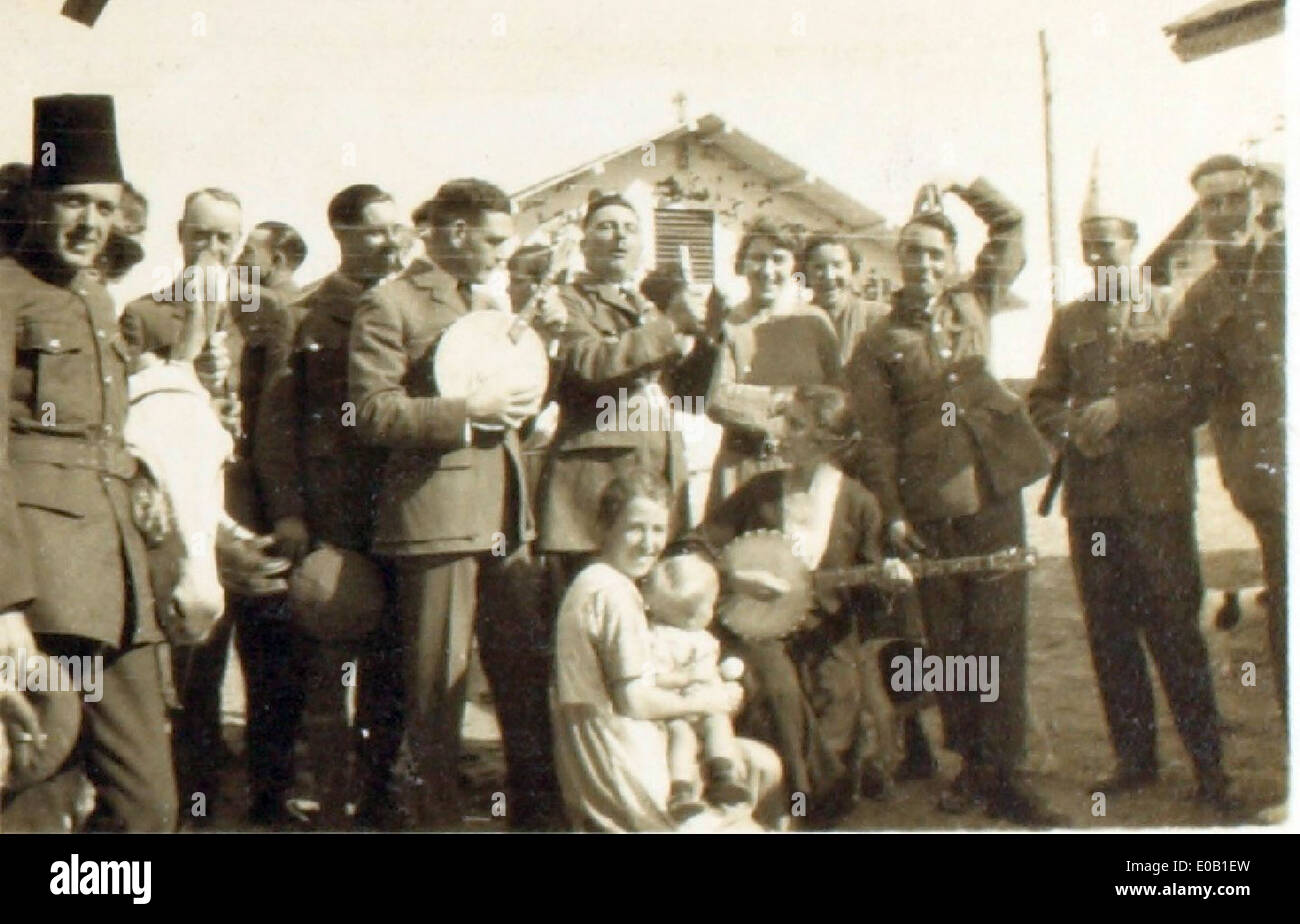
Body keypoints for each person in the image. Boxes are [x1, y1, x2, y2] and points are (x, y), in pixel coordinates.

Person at [349, 177, 562, 830]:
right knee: (436, 698)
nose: (505, 253)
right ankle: (433, 820)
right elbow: (371, 412)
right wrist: (466, 412)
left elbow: (512, 400)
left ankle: (536, 820)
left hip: (503, 516)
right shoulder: (390, 305)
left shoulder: (491, 303)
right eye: (496, 240)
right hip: (435, 524)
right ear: (458, 232)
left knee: (523, 681)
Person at [846, 176, 1061, 826]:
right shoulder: (878, 342)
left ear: (952, 260)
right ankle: (971, 765)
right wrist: (894, 513)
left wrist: (967, 186)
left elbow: (1014, 226)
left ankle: (1008, 771)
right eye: (913, 253)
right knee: (952, 644)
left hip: (993, 493)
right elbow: (878, 440)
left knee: (1003, 634)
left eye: (937, 254)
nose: (925, 265)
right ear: (898, 260)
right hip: (929, 504)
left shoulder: (975, 300)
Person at [0, 94, 177, 831]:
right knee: (36, 793)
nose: (88, 224)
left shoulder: (98, 299)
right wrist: (5, 604)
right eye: (72, 202)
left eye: (104, 209)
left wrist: (141, 476)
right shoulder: (7, 291)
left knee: (149, 805)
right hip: (43, 593)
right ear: (37, 201)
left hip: (118, 584)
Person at [1026, 177, 1232, 809]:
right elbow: (1042, 399)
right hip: (1092, 505)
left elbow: (1194, 395)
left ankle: (1210, 769)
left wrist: (1122, 408)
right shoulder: (1070, 321)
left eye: (1107, 243)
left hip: (1158, 502)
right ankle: (1135, 759)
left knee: (1175, 633)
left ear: (1134, 243)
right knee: (1110, 636)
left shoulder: (1172, 310)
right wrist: (1071, 430)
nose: (1097, 256)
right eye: (1088, 246)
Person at [692, 385, 915, 825]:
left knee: (835, 706)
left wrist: (889, 585)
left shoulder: (857, 503)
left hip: (827, 634)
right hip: (760, 629)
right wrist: (734, 575)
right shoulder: (760, 492)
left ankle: (809, 802)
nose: (781, 432)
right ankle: (803, 802)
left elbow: (869, 600)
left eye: (795, 424)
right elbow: (697, 542)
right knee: (779, 691)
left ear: (826, 442)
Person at [254, 184, 406, 828]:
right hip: (331, 513)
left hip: (399, 512)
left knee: (393, 661)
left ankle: (379, 793)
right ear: (342, 234)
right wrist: (289, 511)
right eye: (377, 231)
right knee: (328, 660)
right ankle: (332, 798)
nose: (394, 241)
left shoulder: (410, 308)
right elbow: (276, 423)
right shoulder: (306, 312)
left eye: (399, 229)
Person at [551, 469, 782, 832]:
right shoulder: (612, 594)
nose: (648, 543)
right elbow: (634, 701)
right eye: (635, 528)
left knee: (762, 765)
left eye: (658, 530)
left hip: (616, 742)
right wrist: (708, 702)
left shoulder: (601, 578)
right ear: (605, 528)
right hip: (619, 755)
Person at [1169, 155, 1285, 817]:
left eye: (1233, 198)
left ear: (1254, 199)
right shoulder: (1203, 299)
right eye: (1209, 203)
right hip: (1272, 493)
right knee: (1286, 632)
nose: (1222, 212)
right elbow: (1188, 393)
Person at [537, 190, 717, 585]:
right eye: (606, 227)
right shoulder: (566, 301)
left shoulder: (648, 306)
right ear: (583, 243)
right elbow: (590, 364)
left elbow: (692, 397)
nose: (620, 237)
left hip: (657, 477)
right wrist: (670, 326)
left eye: (630, 229)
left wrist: (704, 334)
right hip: (596, 485)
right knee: (591, 602)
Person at [706, 217, 842, 509]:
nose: (767, 270)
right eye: (757, 258)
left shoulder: (815, 322)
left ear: (794, 266)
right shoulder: (729, 324)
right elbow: (717, 397)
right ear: (742, 264)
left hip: (806, 467)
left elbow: (836, 395)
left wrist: (760, 399)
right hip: (745, 465)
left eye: (778, 259)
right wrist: (792, 401)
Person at [640, 553, 751, 820]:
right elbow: (653, 677)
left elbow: (711, 673)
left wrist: (723, 685)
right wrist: (686, 678)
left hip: (705, 703)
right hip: (674, 708)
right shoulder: (658, 638)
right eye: (709, 607)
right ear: (691, 615)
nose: (711, 613)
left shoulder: (704, 639)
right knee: (682, 737)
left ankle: (723, 774)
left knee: (719, 723)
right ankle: (681, 789)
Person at [802, 233, 890, 364]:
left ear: (852, 269)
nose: (829, 275)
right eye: (819, 267)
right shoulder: (798, 322)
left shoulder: (879, 317)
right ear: (807, 273)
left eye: (837, 265)